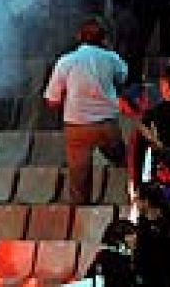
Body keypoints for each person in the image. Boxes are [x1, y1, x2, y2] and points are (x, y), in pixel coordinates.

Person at [43, 17, 128, 204]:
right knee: (125, 161)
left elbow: (51, 100)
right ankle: (132, 196)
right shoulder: (111, 58)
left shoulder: (66, 61)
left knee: (78, 179)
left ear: (79, 36)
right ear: (104, 38)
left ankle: (81, 212)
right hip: (107, 123)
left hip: (77, 125)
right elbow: (123, 77)